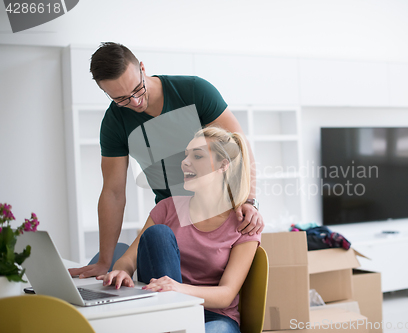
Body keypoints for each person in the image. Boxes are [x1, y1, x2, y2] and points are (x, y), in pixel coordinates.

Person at [69, 42, 263, 279]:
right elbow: (113, 192)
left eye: (137, 90)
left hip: (217, 216)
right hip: (170, 220)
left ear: (142, 68)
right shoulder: (114, 122)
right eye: (121, 99)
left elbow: (239, 149)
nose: (135, 103)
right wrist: (104, 261)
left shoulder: (194, 91)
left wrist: (249, 201)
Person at [97, 126, 260, 333]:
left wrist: (178, 289)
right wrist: (121, 270)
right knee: (158, 233)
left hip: (214, 315)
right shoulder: (167, 208)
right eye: (186, 155)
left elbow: (226, 294)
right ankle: (173, 324)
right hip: (164, 311)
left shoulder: (244, 224)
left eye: (197, 155)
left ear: (223, 165)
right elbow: (128, 259)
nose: (185, 162)